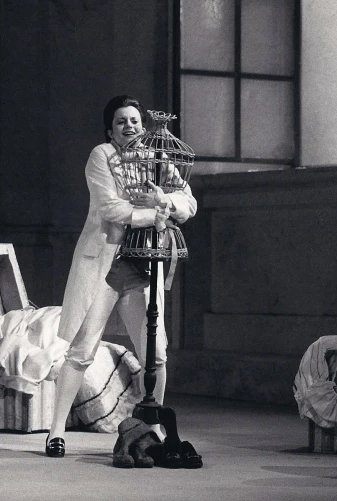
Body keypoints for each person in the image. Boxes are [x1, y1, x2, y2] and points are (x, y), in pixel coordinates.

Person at [45, 95, 197, 458]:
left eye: (134, 121)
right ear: (109, 129)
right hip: (105, 264)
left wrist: (167, 203)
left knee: (156, 354)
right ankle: (55, 432)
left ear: (143, 127)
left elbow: (188, 202)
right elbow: (110, 208)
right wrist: (156, 213)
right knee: (81, 351)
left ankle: (154, 428)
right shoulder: (101, 156)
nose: (129, 126)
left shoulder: (156, 158)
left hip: (143, 267)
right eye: (121, 122)